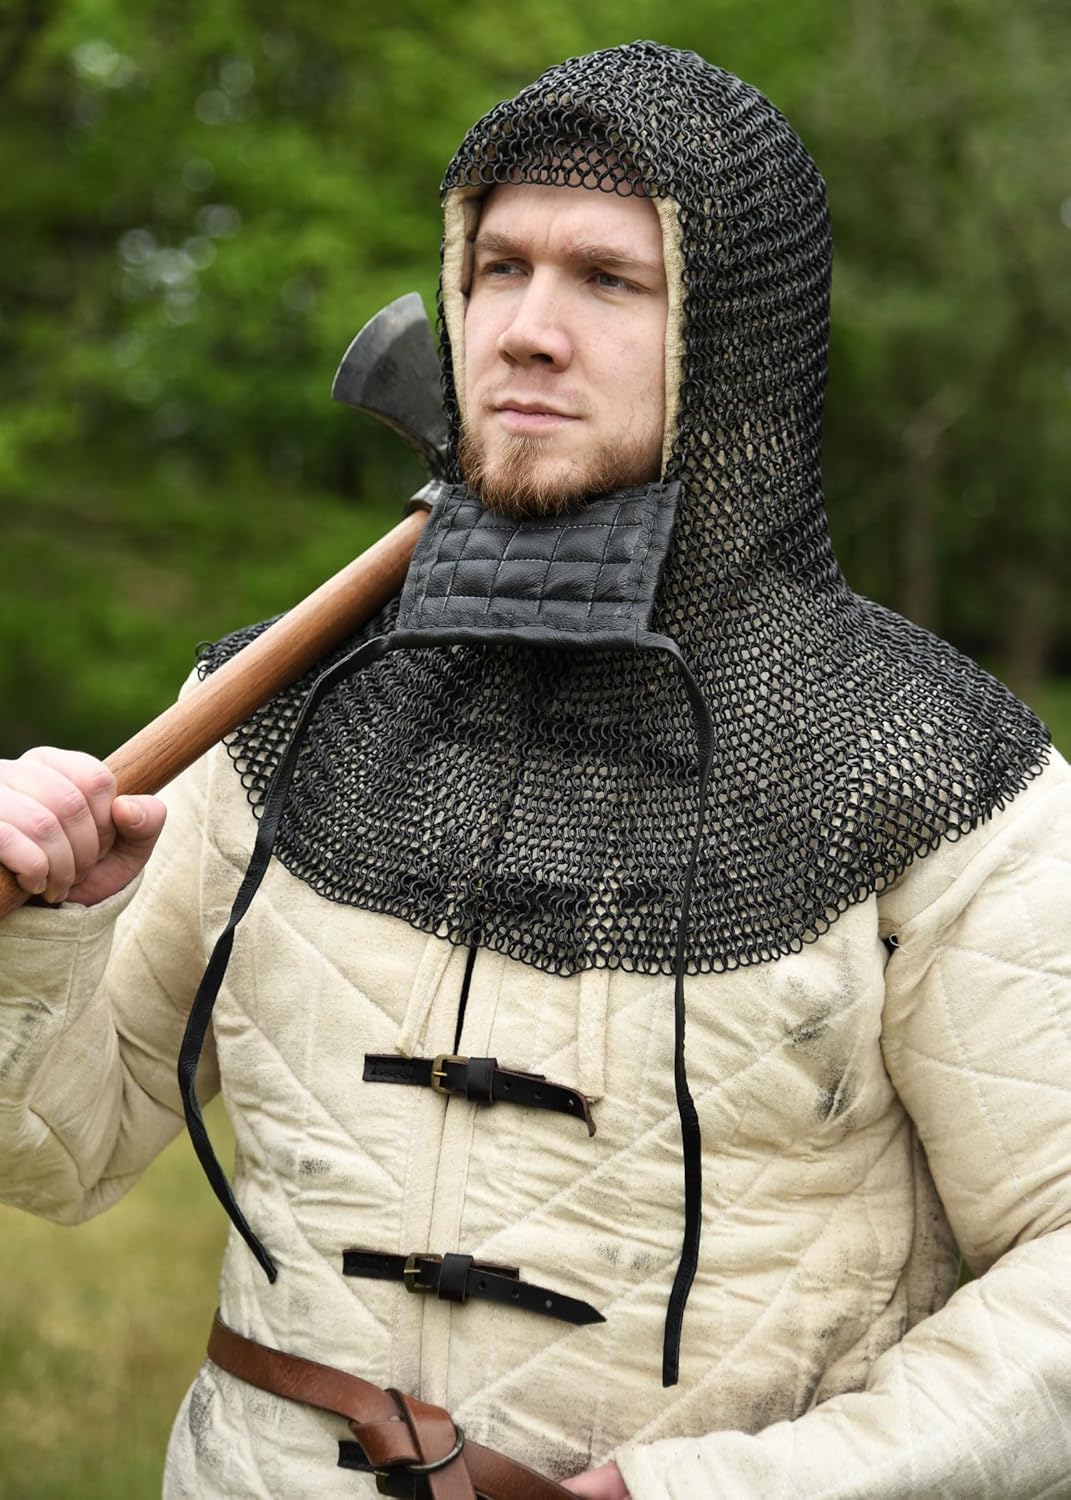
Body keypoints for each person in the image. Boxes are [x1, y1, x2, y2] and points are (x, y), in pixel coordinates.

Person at [1, 39, 1069, 1500]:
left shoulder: (926, 771)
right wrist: (38, 936)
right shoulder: (274, 712)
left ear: (734, 333)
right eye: (499, 267)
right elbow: (62, 1158)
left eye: (608, 281)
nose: (527, 330)